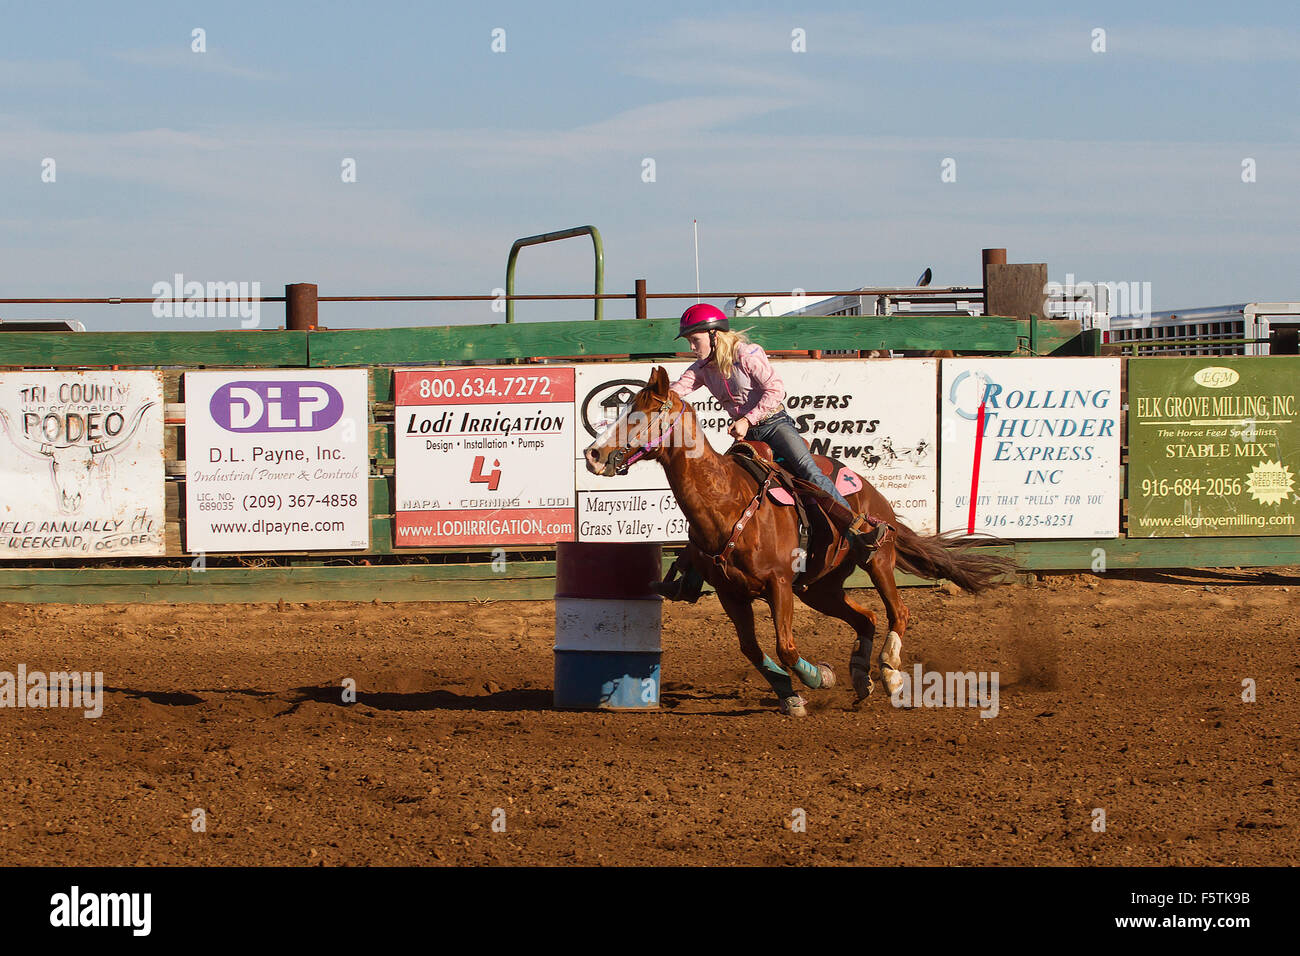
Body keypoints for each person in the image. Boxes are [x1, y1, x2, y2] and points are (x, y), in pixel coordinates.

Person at [653, 304, 892, 599]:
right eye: (689, 341)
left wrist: (746, 419)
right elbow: (677, 389)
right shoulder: (702, 368)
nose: (691, 346)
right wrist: (654, 398)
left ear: (715, 335)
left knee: (807, 469)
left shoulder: (747, 354)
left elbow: (775, 390)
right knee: (715, 491)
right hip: (746, 433)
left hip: (773, 424)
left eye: (694, 339)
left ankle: (856, 531)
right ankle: (691, 576)